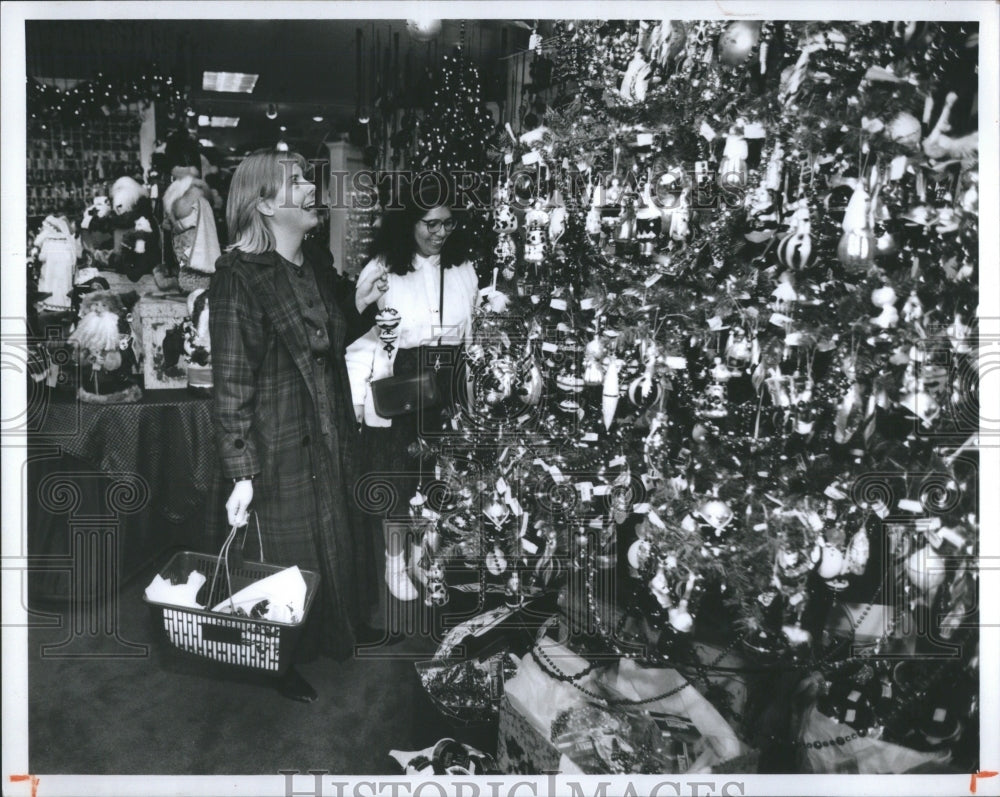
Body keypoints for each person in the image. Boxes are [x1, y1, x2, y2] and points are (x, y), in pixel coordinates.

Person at [208, 149, 387, 700]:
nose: (312, 187)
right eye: (297, 181)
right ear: (264, 204)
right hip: (277, 440)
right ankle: (279, 661)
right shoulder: (239, 277)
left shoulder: (311, 264)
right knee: (283, 555)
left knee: (333, 535)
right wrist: (241, 471)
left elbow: (325, 339)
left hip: (327, 428)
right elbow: (232, 384)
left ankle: (341, 626)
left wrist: (363, 305)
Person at [346, 175, 478, 626]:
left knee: (440, 477)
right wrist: (361, 398)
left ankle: (428, 558)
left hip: (450, 382)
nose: (440, 233)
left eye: (447, 224)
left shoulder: (463, 268)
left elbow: (472, 333)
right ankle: (394, 558)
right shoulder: (383, 269)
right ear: (409, 224)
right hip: (401, 382)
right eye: (430, 224)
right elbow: (360, 339)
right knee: (398, 478)